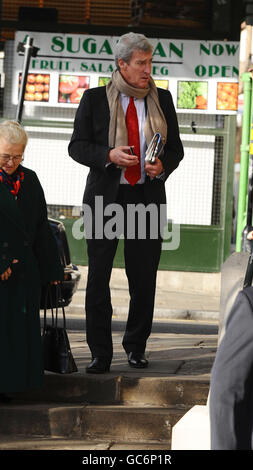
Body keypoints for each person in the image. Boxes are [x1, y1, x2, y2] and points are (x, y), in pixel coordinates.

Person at [68, 32, 184, 374]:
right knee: (99, 277)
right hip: (106, 198)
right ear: (122, 64)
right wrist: (108, 155)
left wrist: (163, 165)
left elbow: (175, 149)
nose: (148, 70)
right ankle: (100, 353)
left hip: (146, 196)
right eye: (141, 63)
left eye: (150, 63)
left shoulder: (161, 98)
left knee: (143, 277)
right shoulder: (93, 99)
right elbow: (77, 146)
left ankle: (136, 347)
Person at [0, 120, 64, 401]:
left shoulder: (31, 179)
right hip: (3, 269)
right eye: (5, 156)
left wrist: (52, 268)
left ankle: (17, 386)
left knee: (20, 331)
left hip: (25, 271)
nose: (11, 162)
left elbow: (40, 227)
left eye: (17, 155)